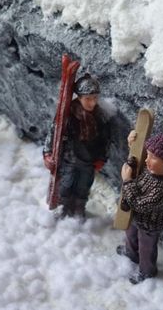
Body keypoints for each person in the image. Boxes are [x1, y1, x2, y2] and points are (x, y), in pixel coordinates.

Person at [42, 72, 111, 219]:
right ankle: (63, 207)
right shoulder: (68, 115)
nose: (92, 102)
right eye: (88, 99)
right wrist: (48, 153)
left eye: (95, 98)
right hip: (70, 158)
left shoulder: (99, 117)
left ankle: (79, 208)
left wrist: (101, 158)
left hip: (89, 160)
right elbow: (54, 132)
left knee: (83, 186)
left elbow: (105, 139)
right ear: (79, 98)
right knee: (66, 184)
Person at [117, 131, 163, 283]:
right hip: (135, 216)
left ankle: (147, 271)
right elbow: (137, 161)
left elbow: (139, 204)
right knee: (130, 235)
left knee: (146, 248)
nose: (147, 160)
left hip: (150, 223)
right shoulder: (149, 168)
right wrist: (132, 145)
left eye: (153, 157)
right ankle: (131, 254)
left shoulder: (161, 189)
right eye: (147, 155)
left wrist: (127, 181)